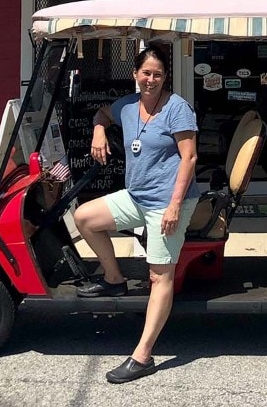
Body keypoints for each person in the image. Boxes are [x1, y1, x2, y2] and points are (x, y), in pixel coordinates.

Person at [72, 42, 200, 384]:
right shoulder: (127, 106)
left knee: (160, 276)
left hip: (168, 202)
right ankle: (114, 280)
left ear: (165, 77)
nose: (151, 80)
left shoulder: (177, 108)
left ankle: (143, 356)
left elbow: (189, 158)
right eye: (146, 73)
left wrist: (174, 205)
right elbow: (102, 113)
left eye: (158, 74)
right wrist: (99, 130)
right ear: (135, 75)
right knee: (85, 217)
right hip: (136, 197)